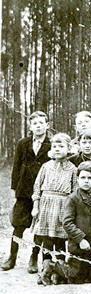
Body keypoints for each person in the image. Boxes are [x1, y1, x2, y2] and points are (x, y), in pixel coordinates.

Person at [40, 161, 91, 285]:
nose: (86, 181)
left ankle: (62, 274)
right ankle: (52, 265)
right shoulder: (72, 198)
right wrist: (80, 239)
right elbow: (67, 222)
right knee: (77, 277)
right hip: (80, 246)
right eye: (83, 177)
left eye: (90, 178)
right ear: (78, 179)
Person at [1, 111, 51, 272]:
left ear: (47, 125)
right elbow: (16, 167)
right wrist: (15, 189)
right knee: (19, 224)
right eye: (35, 123)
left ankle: (34, 257)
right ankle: (12, 257)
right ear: (30, 127)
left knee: (40, 226)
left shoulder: (51, 144)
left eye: (41, 123)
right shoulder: (23, 143)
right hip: (24, 190)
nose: (38, 126)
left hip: (43, 190)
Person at [31, 133, 78, 274]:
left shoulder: (73, 169)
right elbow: (37, 187)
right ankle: (45, 267)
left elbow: (75, 191)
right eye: (54, 146)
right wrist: (35, 206)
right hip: (46, 205)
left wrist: (70, 211)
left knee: (60, 238)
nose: (57, 149)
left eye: (61, 146)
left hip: (62, 206)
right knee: (45, 238)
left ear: (68, 148)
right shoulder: (46, 166)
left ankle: (59, 268)